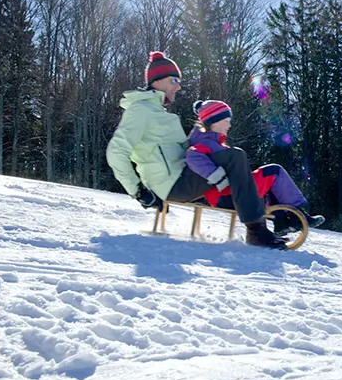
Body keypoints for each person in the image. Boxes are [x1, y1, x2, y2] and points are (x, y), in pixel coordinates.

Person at [105, 51, 289, 249]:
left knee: (233, 159)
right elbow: (116, 152)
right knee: (235, 157)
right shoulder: (141, 110)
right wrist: (139, 192)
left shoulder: (157, 112)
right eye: (174, 80)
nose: (178, 86)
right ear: (158, 81)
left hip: (182, 177)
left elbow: (184, 151)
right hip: (174, 184)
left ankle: (274, 216)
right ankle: (256, 230)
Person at [186, 99, 325, 238]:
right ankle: (297, 217)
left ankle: (283, 221)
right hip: (228, 195)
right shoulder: (206, 142)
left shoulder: (213, 142)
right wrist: (217, 176)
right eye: (226, 120)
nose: (229, 125)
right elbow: (192, 156)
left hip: (230, 192)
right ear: (214, 121)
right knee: (274, 171)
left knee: (270, 180)